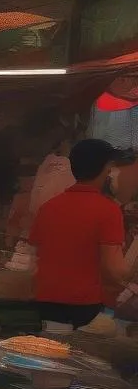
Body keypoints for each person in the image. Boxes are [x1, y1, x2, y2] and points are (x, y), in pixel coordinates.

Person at [29, 139, 132, 329]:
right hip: (84, 307)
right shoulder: (108, 211)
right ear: (106, 169)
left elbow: (36, 255)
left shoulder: (49, 207)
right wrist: (132, 278)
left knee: (52, 350)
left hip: (45, 300)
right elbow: (114, 268)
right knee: (75, 354)